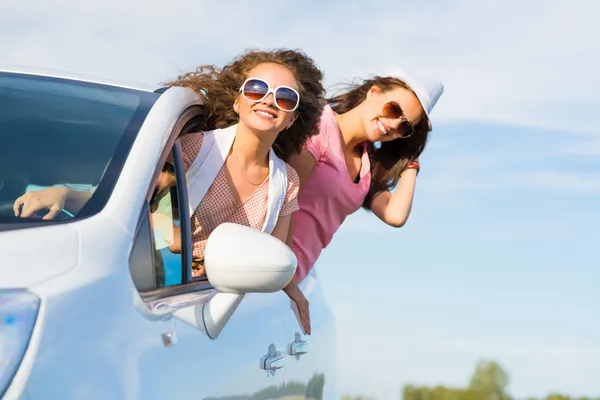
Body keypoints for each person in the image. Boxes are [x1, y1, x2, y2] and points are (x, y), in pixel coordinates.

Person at [13, 49, 325, 335]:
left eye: (285, 97)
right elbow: (144, 209)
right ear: (238, 101)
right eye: (257, 89)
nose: (268, 100)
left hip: (221, 309)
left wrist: (295, 293)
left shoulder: (286, 181)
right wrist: (68, 193)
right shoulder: (193, 149)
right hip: (169, 298)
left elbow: (272, 259)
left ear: (291, 119)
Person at [287, 70, 444, 285]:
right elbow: (281, 200)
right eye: (393, 109)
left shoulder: (366, 164)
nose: (393, 124)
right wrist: (281, 276)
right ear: (374, 92)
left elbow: (394, 215)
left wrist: (410, 159)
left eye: (404, 127)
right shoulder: (319, 124)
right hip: (266, 267)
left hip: (290, 277)